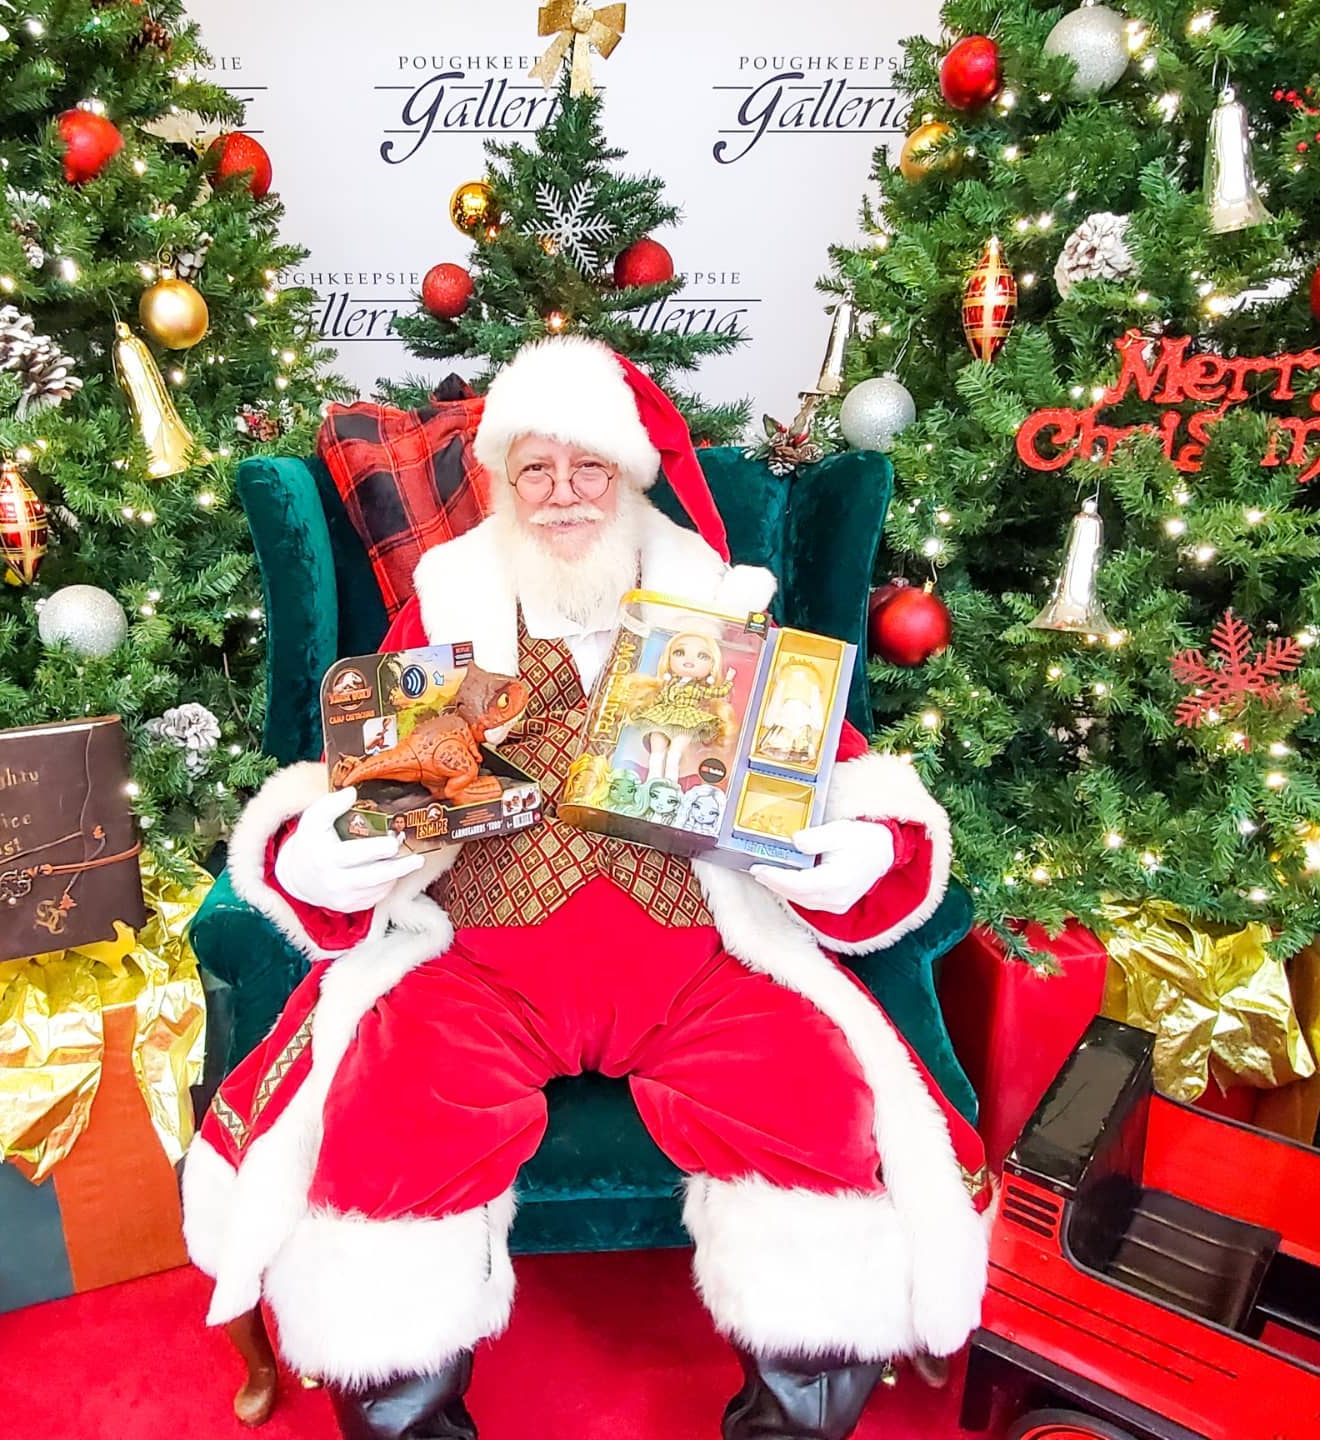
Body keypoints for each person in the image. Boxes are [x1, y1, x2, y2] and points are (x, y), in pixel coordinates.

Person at [183, 336, 989, 1440]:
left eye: (589, 469)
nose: (563, 495)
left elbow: (843, 774)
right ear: (504, 485)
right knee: (384, 1128)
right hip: (478, 964)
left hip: (697, 961)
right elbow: (352, 786)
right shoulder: (447, 608)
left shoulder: (719, 608)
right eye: (536, 471)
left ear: (630, 477)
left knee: (821, 1109)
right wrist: (322, 856)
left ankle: (789, 1422)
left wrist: (865, 849)